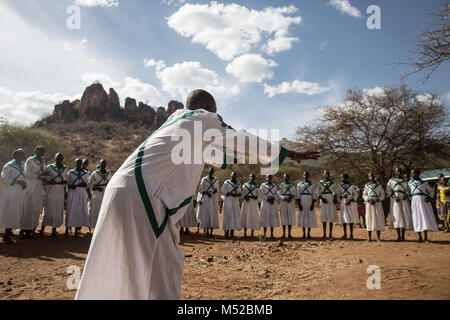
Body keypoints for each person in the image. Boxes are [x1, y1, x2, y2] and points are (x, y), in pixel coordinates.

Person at [76, 89, 320, 300]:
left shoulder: (179, 126)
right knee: (152, 266)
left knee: (136, 260)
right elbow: (242, 140)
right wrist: (287, 152)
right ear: (211, 108)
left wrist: (257, 157)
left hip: (125, 189)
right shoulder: (203, 118)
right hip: (142, 195)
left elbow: (220, 156)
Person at [20, 146, 49, 238]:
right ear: (35, 151)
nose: (41, 153)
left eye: (42, 151)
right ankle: (23, 229)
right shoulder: (30, 160)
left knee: (36, 207)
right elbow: (26, 174)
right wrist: (40, 175)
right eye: (39, 151)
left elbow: (43, 174)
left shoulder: (43, 161)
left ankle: (32, 228)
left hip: (39, 187)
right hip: (30, 185)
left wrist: (45, 177)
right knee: (27, 206)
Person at [0, 149, 27, 244]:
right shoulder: (9, 165)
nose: (23, 156)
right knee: (8, 212)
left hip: (19, 193)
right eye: (21, 155)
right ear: (15, 156)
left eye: (23, 155)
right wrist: (17, 182)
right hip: (10, 192)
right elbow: (3, 177)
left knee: (15, 212)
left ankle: (8, 232)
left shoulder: (24, 165)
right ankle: (6, 236)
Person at [40, 153, 68, 237]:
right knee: (49, 209)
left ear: (62, 159)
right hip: (51, 190)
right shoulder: (49, 167)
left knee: (58, 209)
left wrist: (64, 182)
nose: (58, 159)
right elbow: (44, 179)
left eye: (60, 158)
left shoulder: (65, 168)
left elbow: (66, 179)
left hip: (60, 191)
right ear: (55, 158)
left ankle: (54, 230)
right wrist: (49, 182)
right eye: (57, 158)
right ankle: (42, 229)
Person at [409, 169, 438, 242]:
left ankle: (425, 237)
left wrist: (429, 197)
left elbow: (431, 191)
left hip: (423, 201)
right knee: (417, 217)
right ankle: (419, 237)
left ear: (418, 174)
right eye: (412, 174)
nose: (413, 175)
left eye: (414, 173)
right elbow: (408, 192)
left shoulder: (424, 183)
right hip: (415, 201)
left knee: (424, 217)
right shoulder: (409, 183)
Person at [386, 168, 413, 241]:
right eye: (397, 171)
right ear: (395, 172)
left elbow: (408, 190)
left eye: (400, 171)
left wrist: (406, 195)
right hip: (395, 201)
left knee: (403, 216)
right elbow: (388, 190)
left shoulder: (405, 181)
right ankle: (398, 236)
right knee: (397, 217)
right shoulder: (391, 181)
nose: (399, 172)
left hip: (403, 200)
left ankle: (403, 236)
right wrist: (394, 197)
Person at [65, 158, 89, 237]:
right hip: (73, 193)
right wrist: (71, 186)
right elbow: (67, 183)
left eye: (80, 163)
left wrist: (83, 184)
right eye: (77, 163)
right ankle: (67, 229)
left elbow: (87, 184)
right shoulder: (71, 172)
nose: (79, 164)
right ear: (75, 163)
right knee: (71, 209)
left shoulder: (85, 173)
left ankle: (76, 230)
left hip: (81, 193)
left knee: (79, 211)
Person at [88, 159, 112, 232]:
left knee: (105, 210)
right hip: (97, 194)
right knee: (96, 210)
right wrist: (96, 187)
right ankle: (95, 227)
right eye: (102, 164)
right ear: (100, 164)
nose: (103, 165)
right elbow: (89, 184)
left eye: (104, 164)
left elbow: (110, 183)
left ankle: (104, 228)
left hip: (106, 194)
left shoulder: (109, 173)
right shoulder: (95, 173)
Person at [196, 168, 220, 237]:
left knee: (212, 213)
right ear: (208, 172)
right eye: (210, 171)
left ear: (213, 172)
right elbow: (200, 189)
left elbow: (217, 188)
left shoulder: (216, 179)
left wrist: (215, 191)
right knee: (206, 213)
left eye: (212, 171)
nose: (211, 172)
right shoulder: (204, 179)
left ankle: (211, 232)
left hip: (213, 198)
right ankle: (206, 231)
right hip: (206, 198)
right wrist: (206, 192)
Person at [363, 172, 386, 242]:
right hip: (369, 203)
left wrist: (377, 199)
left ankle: (378, 237)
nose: (371, 177)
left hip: (377, 203)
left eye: (372, 176)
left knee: (378, 218)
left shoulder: (379, 186)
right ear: (368, 177)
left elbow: (382, 194)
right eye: (370, 176)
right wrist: (368, 199)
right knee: (369, 218)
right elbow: (364, 194)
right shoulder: (366, 186)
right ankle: (369, 237)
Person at [317, 170, 338, 239]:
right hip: (323, 201)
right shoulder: (320, 183)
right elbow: (318, 193)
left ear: (329, 174)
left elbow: (335, 192)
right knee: (324, 217)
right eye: (325, 173)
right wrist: (322, 199)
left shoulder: (333, 183)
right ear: (323, 174)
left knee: (330, 216)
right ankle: (324, 233)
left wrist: (335, 198)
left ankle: (330, 234)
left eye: (327, 173)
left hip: (330, 200)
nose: (326, 175)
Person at [338, 173, 359, 240]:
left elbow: (355, 195)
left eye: (343, 178)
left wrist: (350, 200)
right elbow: (338, 194)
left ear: (347, 178)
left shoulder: (352, 186)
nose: (342, 179)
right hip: (343, 203)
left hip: (350, 203)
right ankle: (345, 234)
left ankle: (351, 234)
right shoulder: (340, 186)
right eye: (341, 178)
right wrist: (342, 196)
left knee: (350, 218)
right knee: (344, 218)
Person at [297, 171, 317, 239]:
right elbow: (298, 194)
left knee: (309, 217)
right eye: (304, 175)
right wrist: (299, 204)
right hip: (302, 201)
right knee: (303, 216)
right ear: (303, 176)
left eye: (307, 175)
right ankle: (303, 234)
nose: (306, 176)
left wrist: (313, 204)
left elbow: (314, 195)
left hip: (309, 201)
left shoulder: (312, 184)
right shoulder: (299, 184)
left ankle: (308, 233)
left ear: (309, 176)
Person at [221, 172, 242, 239]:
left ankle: (232, 233)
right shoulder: (226, 182)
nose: (234, 176)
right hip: (228, 200)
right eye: (233, 175)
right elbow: (223, 191)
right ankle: (226, 232)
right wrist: (229, 193)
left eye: (235, 175)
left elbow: (239, 192)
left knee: (234, 216)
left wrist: (237, 194)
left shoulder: (238, 184)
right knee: (228, 215)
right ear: (231, 176)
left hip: (235, 201)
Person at [241, 173, 260, 238]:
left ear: (255, 178)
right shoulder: (244, 185)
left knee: (253, 217)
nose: (252, 178)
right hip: (246, 203)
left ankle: (252, 233)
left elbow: (259, 196)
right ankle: (245, 233)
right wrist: (245, 197)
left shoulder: (257, 186)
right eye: (251, 177)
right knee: (245, 216)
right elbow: (242, 194)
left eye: (253, 177)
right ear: (249, 177)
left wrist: (256, 197)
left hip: (253, 203)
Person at [278, 173, 296, 238]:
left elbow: (294, 194)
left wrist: (290, 198)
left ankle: (289, 234)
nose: (286, 178)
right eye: (285, 177)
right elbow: (279, 194)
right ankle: (284, 234)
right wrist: (285, 198)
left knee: (290, 217)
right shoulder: (280, 186)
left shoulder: (292, 186)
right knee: (284, 217)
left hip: (290, 202)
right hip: (284, 202)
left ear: (289, 178)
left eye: (287, 177)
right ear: (283, 178)